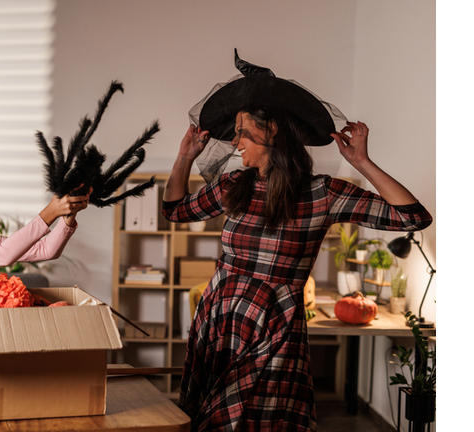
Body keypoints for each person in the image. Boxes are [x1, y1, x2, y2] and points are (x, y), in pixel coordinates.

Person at [162, 52, 432, 431]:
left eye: (242, 130)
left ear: (272, 131)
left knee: (259, 423)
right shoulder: (233, 186)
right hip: (220, 322)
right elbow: (175, 211)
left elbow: (413, 218)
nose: (235, 141)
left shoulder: (323, 194)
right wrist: (183, 158)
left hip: (274, 330)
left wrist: (362, 164)